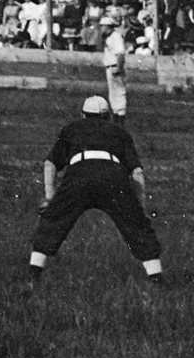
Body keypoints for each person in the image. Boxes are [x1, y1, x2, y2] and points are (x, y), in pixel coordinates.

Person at [28, 96, 164, 285]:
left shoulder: (71, 129)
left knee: (52, 221)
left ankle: (33, 278)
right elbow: (137, 172)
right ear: (108, 116)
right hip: (113, 176)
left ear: (83, 115)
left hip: (79, 174)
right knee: (137, 228)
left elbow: (50, 164)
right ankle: (157, 280)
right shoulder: (120, 132)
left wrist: (51, 198)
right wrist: (137, 207)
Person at [101, 16, 128, 124]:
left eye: (102, 26)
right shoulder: (108, 37)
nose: (101, 28)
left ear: (108, 26)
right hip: (110, 67)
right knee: (113, 94)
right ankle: (116, 116)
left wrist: (119, 68)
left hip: (115, 67)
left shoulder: (116, 37)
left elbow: (120, 54)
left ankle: (120, 117)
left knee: (119, 92)